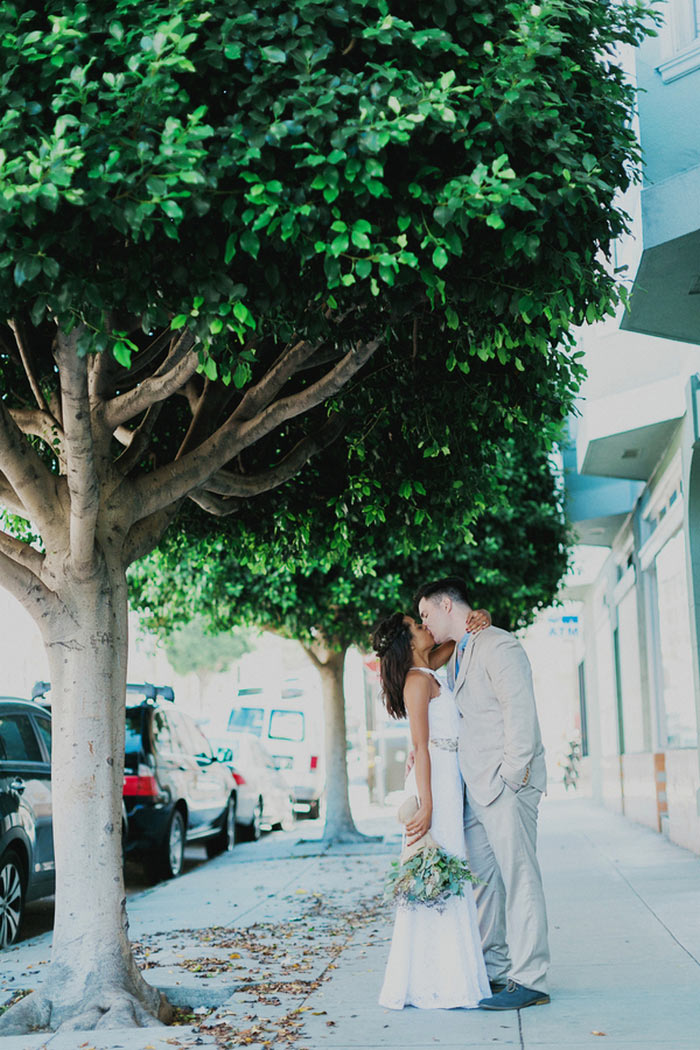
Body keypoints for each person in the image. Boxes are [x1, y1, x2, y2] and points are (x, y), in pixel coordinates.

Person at [415, 576, 550, 1011]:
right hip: (476, 789)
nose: (425, 623)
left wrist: (512, 776)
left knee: (520, 877)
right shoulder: (457, 653)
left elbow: (520, 713)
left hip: (505, 785)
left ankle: (530, 979)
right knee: (485, 884)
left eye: (426, 614)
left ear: (447, 606)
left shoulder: (498, 645)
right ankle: (495, 971)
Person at [372, 609, 491, 1010]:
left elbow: (456, 641)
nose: (425, 628)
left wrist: (479, 617)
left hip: (446, 775)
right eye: (417, 627)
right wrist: (427, 806)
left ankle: (452, 975)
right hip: (433, 780)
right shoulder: (415, 681)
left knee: (450, 876)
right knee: (438, 877)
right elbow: (421, 747)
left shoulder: (429, 670)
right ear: (408, 643)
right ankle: (435, 981)